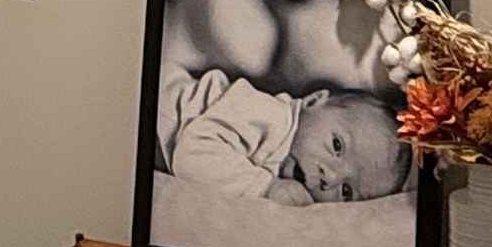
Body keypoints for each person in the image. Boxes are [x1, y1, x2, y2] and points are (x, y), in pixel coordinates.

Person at [156, 70, 410, 206]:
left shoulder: (291, 162)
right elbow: (192, 154)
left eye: (346, 191)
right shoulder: (270, 116)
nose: (329, 178)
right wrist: (265, 188)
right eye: (336, 145)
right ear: (313, 101)